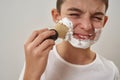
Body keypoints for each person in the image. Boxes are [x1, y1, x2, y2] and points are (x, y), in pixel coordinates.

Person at [19, 0, 120, 80]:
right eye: (74, 14)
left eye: (97, 17)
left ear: (104, 22)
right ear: (56, 16)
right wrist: (31, 75)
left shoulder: (110, 71)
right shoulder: (38, 59)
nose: (86, 26)